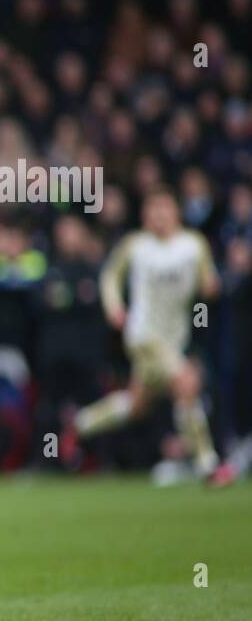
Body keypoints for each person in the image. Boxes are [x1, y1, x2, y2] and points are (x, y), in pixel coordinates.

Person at [70, 187, 235, 486]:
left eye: (165, 208)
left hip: (175, 339)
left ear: (176, 212)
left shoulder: (193, 245)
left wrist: (211, 286)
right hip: (143, 335)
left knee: (137, 405)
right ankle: (207, 465)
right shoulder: (135, 245)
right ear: (145, 215)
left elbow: (208, 282)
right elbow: (110, 275)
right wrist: (114, 307)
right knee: (187, 382)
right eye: (153, 209)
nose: (159, 216)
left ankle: (78, 425)